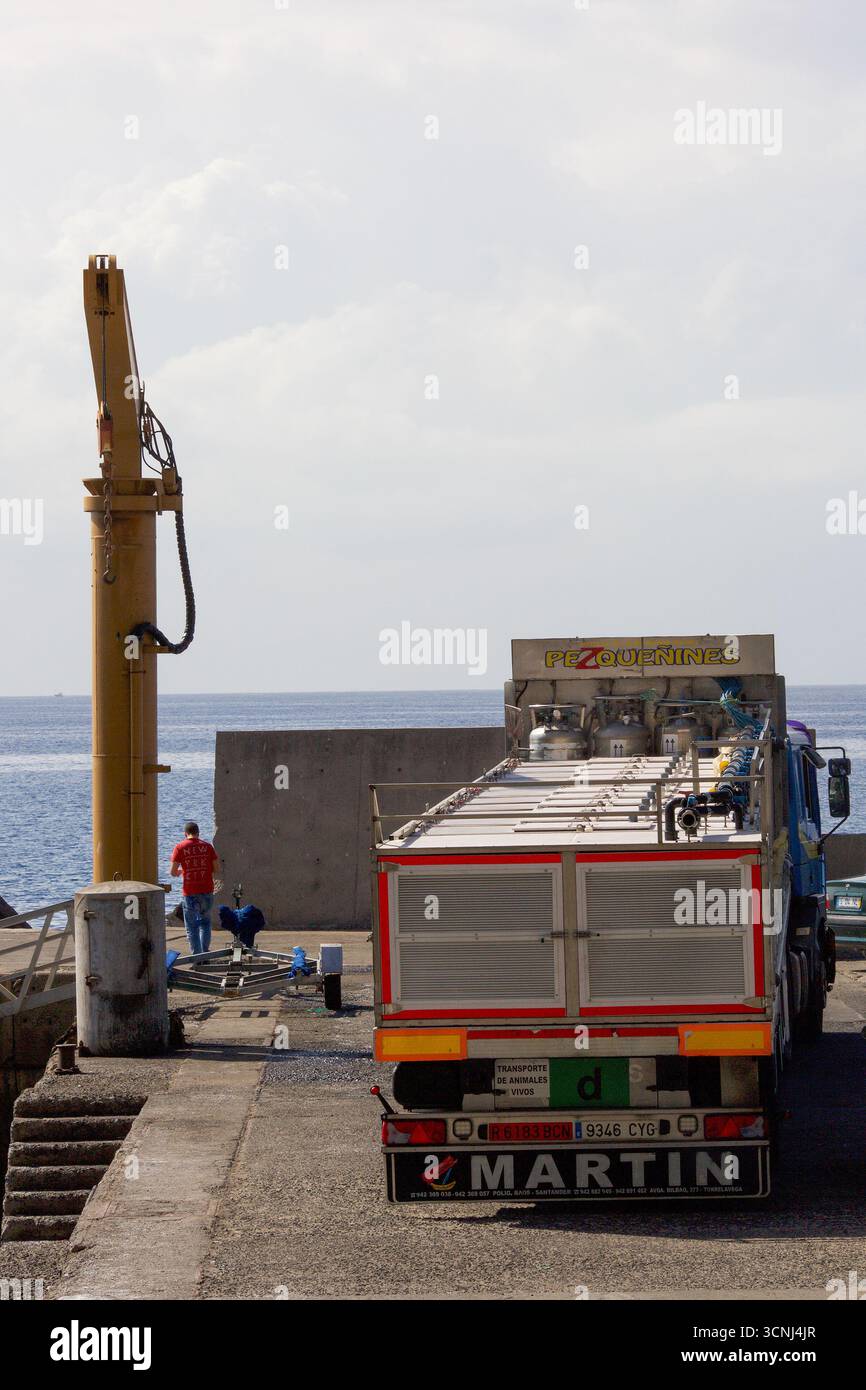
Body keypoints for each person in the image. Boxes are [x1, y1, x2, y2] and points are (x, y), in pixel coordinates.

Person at [169, 821, 220, 955]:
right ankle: (205, 954)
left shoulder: (180, 847)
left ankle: (197, 958)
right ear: (198, 833)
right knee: (205, 923)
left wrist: (183, 872)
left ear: (185, 834)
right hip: (207, 889)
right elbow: (217, 869)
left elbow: (173, 872)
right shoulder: (208, 847)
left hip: (190, 891)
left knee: (191, 927)